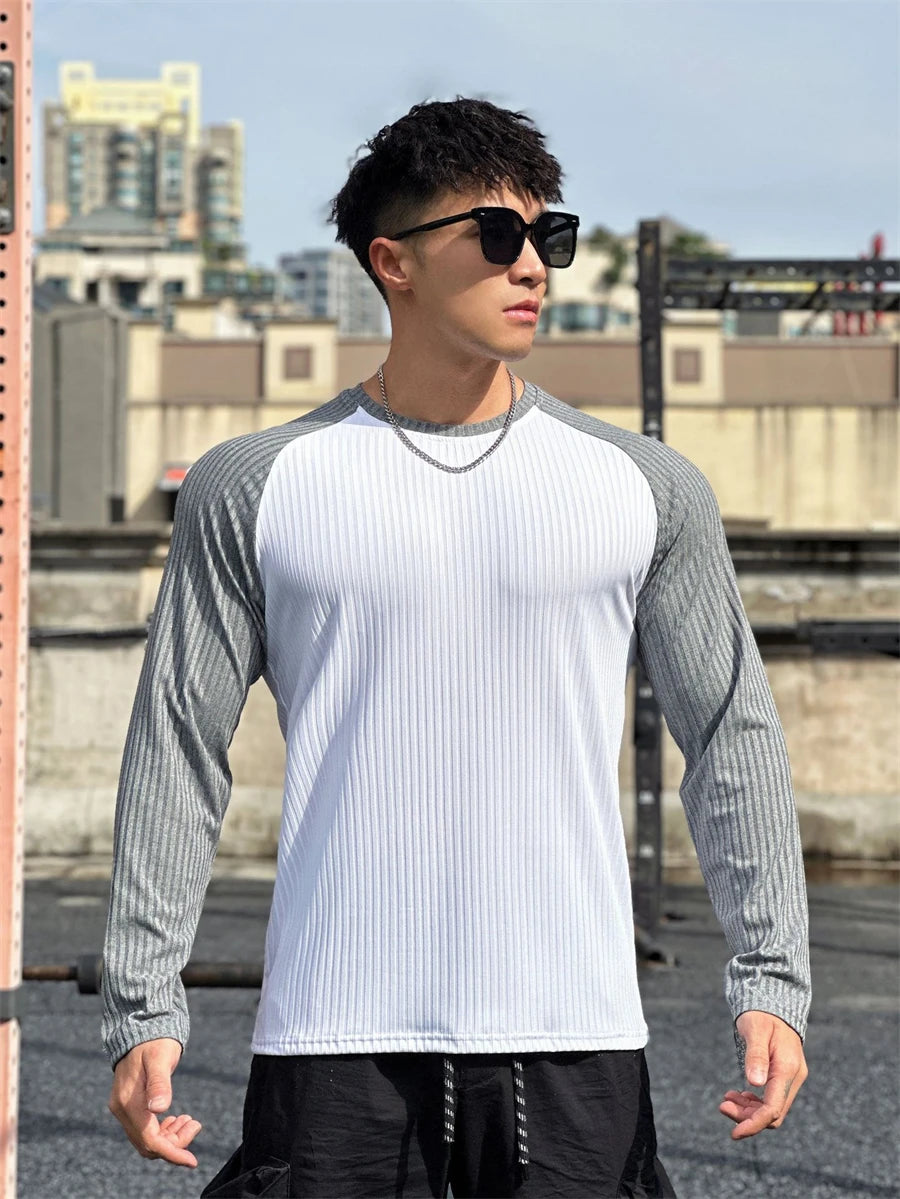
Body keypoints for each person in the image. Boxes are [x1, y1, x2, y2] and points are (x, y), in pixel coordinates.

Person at [101, 97, 810, 1198]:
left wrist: (771, 977)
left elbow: (730, 733)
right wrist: (143, 1001)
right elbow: (176, 747)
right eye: (496, 233)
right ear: (392, 261)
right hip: (333, 1031)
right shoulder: (256, 486)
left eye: (549, 235)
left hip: (577, 1032)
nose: (532, 264)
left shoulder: (644, 486)